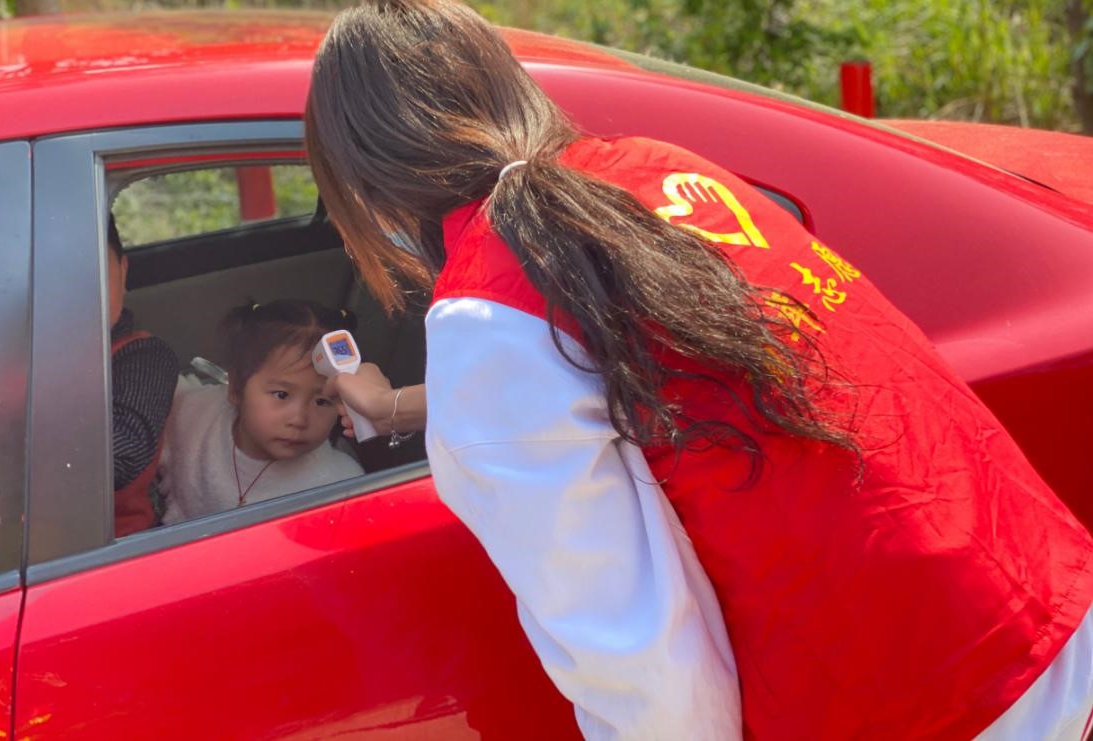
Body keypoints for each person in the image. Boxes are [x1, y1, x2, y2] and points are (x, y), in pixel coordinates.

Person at [304, 2, 1093, 739]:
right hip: (1034, 596)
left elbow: (638, 658)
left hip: (918, 690)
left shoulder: (488, 309)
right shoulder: (663, 171)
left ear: (366, 186)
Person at [160, 299, 363, 524]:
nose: (299, 419)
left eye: (322, 401)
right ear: (236, 388)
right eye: (282, 395)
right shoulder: (197, 415)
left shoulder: (339, 486)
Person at [108, 217, 179, 537]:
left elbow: (121, 456)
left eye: (91, 273)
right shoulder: (1, 363)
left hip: (114, 543)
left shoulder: (143, 357)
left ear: (122, 272)